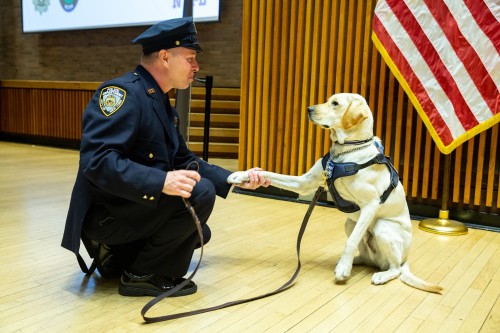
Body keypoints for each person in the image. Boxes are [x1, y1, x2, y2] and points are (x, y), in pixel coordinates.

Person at [61, 16, 270, 298]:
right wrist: (161, 180)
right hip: (106, 215)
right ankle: (141, 275)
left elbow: (184, 159)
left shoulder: (157, 99)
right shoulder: (121, 93)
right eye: (191, 58)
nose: (196, 66)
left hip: (126, 206)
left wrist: (234, 177)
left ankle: (121, 258)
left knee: (198, 232)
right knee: (199, 194)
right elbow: (96, 162)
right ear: (164, 57)